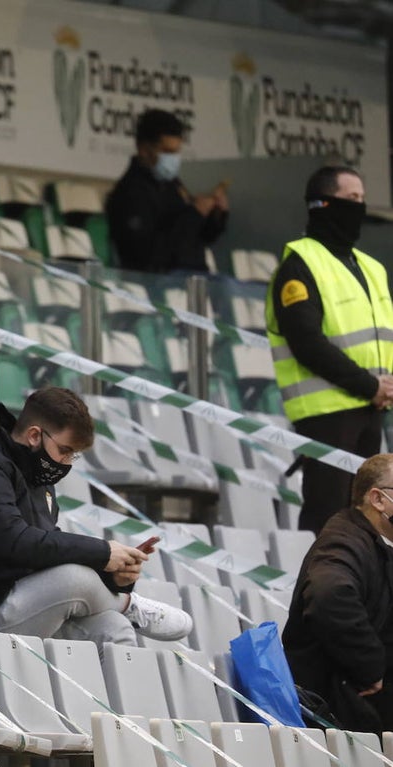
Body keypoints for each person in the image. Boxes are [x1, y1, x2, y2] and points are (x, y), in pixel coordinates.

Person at [0, 388, 192, 647]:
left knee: (112, 627)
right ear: (34, 436)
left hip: (10, 603)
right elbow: (15, 543)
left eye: (74, 455)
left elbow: (48, 549)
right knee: (75, 580)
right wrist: (103, 552)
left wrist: (115, 577)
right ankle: (126, 605)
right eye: (65, 450)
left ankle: (123, 696)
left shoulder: (36, 477)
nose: (67, 462)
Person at [265, 166, 393, 534]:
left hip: (370, 409)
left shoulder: (370, 267)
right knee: (328, 516)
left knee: (371, 519)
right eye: (352, 199)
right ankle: (317, 591)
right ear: (322, 204)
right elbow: (306, 342)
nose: (360, 206)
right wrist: (370, 385)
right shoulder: (299, 263)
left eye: (362, 198)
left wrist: (382, 388)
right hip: (326, 412)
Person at [283, 454, 393, 734]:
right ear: (378, 499)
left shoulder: (374, 541)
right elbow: (328, 596)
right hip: (338, 714)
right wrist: (370, 667)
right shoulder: (344, 540)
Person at [106, 109, 228, 273]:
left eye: (176, 152)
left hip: (195, 275)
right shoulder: (129, 194)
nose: (173, 159)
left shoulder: (173, 185)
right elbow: (146, 254)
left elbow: (197, 237)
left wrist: (215, 216)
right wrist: (193, 214)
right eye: (167, 152)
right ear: (143, 149)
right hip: (161, 281)